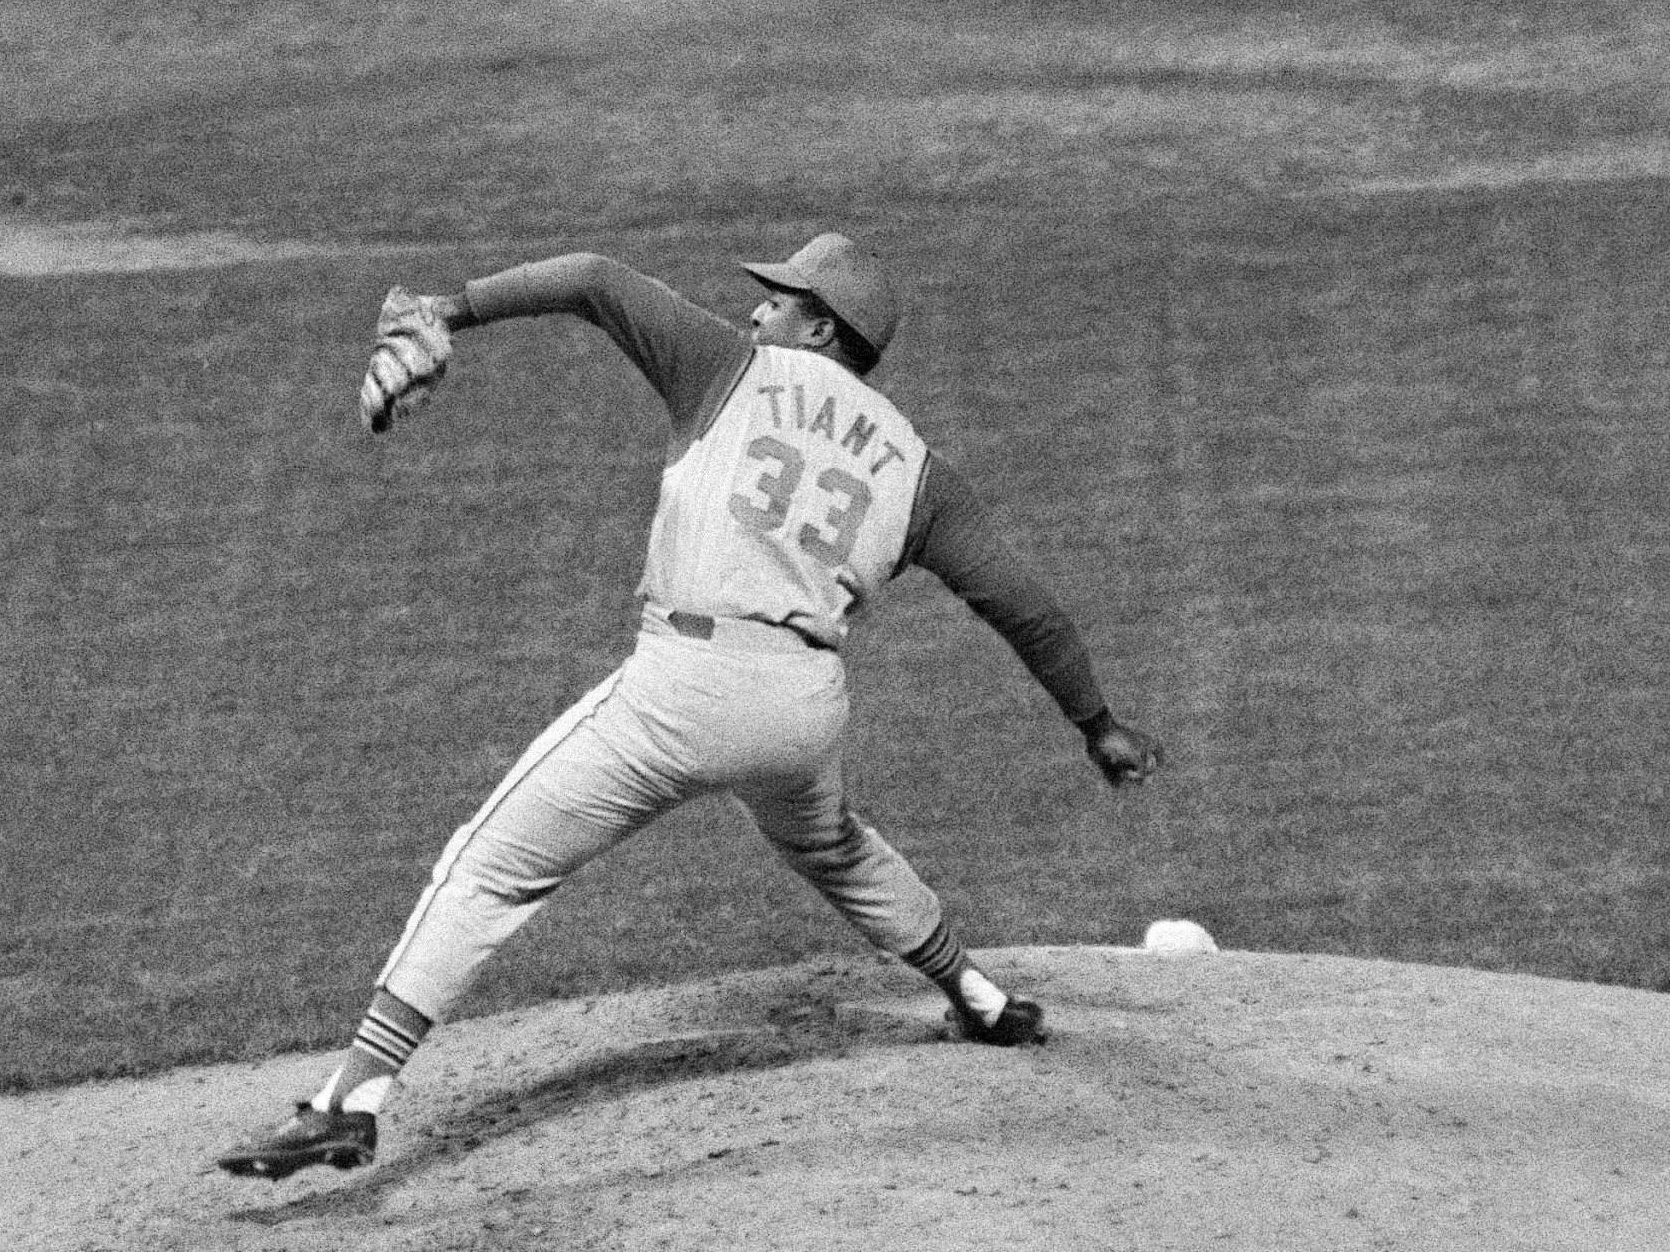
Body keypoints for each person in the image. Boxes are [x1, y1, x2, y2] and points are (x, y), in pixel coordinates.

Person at [214, 232, 1167, 1181]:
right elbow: (1021, 603)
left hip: (682, 691)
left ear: (823, 330)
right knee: (833, 847)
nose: (758, 308)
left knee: (488, 867)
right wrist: (1097, 726)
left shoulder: (732, 367)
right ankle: (980, 997)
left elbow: (591, 280)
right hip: (800, 711)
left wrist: (443, 308)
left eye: (781, 299)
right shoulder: (920, 473)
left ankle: (352, 1101)